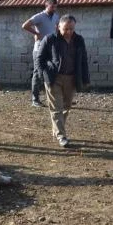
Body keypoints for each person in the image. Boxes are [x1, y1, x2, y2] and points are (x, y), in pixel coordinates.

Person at [35, 14, 90, 148]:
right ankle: (61, 136)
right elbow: (39, 59)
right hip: (54, 78)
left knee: (67, 106)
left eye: (71, 29)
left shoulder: (79, 40)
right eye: (66, 29)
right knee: (56, 108)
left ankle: (57, 129)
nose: (69, 32)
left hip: (71, 78)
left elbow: (83, 59)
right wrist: (43, 76)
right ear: (58, 27)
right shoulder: (50, 39)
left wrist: (85, 78)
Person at [22, 0, 59, 107]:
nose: (54, 9)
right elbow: (25, 25)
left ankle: (52, 98)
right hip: (39, 49)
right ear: (46, 5)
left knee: (52, 72)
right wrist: (36, 33)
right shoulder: (39, 16)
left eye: (55, 7)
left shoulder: (56, 16)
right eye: (52, 7)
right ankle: (35, 99)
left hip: (51, 49)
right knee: (38, 73)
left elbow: (56, 29)